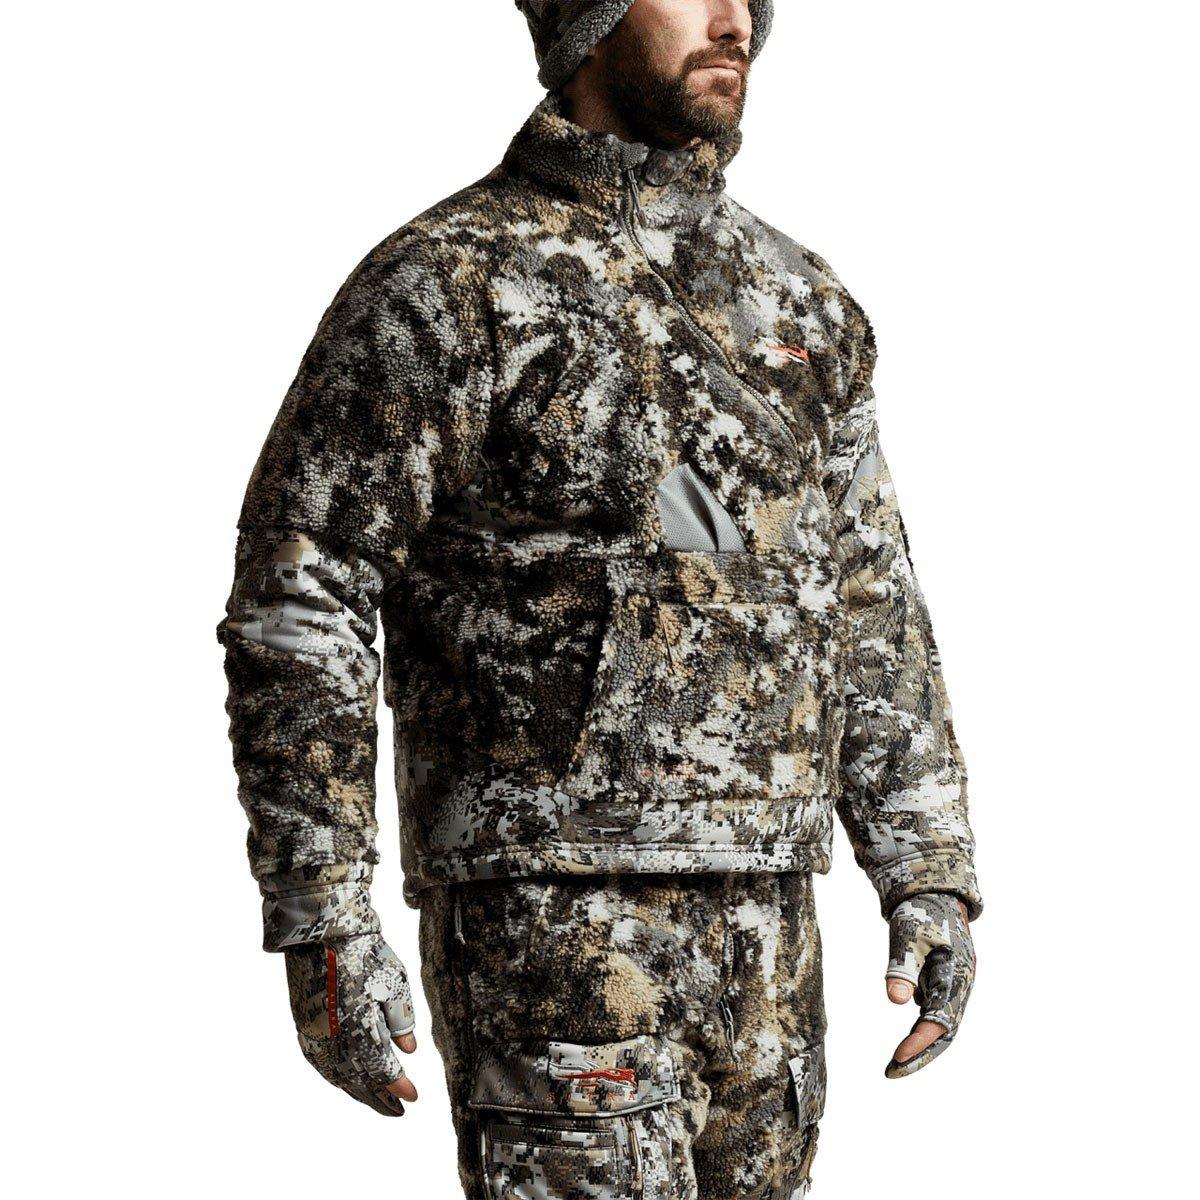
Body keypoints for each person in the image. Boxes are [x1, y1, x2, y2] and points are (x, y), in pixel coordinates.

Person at [216, 2, 982, 1195]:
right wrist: (323, 913)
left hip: (770, 917)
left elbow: (866, 592)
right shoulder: (450, 282)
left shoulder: (797, 300)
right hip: (550, 926)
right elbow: (303, 590)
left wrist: (926, 869)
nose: (732, 19)